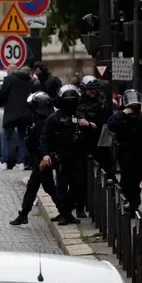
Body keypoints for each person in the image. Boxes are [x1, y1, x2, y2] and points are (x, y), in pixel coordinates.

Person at [40, 84, 91, 225]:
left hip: (78, 156)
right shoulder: (54, 118)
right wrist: (45, 155)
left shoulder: (79, 115)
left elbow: (90, 134)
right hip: (61, 156)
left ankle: (67, 211)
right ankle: (64, 214)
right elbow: (45, 137)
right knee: (61, 186)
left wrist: (87, 125)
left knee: (77, 187)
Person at [10, 91, 59, 226]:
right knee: (40, 186)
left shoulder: (44, 121)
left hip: (42, 158)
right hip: (39, 157)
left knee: (42, 187)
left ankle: (64, 211)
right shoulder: (41, 119)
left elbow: (43, 141)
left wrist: (43, 157)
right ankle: (24, 214)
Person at [107, 89, 142, 217]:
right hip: (126, 153)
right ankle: (127, 206)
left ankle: (134, 206)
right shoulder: (121, 117)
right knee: (127, 180)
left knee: (136, 180)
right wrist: (124, 113)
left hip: (140, 153)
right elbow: (111, 125)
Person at [74, 77, 108, 219]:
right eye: (90, 89)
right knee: (81, 178)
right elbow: (75, 118)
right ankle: (80, 207)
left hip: (99, 144)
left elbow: (107, 121)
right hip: (82, 145)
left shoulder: (102, 104)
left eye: (94, 89)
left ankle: (100, 206)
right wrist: (85, 123)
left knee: (105, 177)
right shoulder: (79, 104)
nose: (92, 92)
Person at [0, 65, 35, 171]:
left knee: (6, 137)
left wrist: (2, 103)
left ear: (10, 72)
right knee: (22, 138)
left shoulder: (10, 79)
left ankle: (4, 162)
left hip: (11, 113)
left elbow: (2, 94)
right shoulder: (29, 80)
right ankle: (21, 162)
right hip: (25, 114)